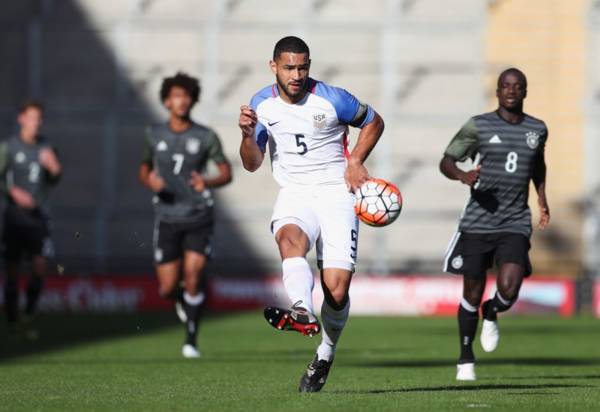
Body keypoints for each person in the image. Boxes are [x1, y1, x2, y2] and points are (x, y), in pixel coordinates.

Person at [238, 36, 384, 392]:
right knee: (289, 240)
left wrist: (355, 161)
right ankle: (302, 309)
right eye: (289, 67)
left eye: (303, 67)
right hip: (295, 193)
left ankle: (325, 354)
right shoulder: (262, 104)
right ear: (274, 66)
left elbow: (375, 121)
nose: (297, 74)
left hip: (336, 192)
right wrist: (245, 135)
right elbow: (252, 163)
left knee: (336, 289)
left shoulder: (333, 98)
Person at [440, 68, 550, 381]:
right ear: (498, 92)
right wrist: (463, 175)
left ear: (525, 92)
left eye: (518, 86)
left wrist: (542, 200)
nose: (512, 91)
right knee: (471, 292)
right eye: (506, 86)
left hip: (515, 220)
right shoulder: (479, 126)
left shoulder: (537, 129)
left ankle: (493, 310)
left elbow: (538, 166)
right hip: (478, 221)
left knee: (510, 288)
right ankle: (465, 358)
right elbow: (446, 161)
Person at [139, 72, 232, 358]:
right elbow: (143, 167)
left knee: (193, 274)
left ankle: (191, 336)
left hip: (198, 214)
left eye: (186, 96)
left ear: (192, 100)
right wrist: (150, 181)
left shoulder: (205, 136)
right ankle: (183, 300)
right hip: (167, 216)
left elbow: (226, 172)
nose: (182, 101)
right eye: (176, 96)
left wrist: (208, 181)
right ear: (167, 101)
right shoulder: (154, 134)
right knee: (167, 288)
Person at [1, 100, 62, 338]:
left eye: (40, 118)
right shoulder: (9, 147)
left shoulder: (46, 147)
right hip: (15, 217)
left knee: (40, 267)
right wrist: (12, 192)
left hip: (40, 217)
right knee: (12, 269)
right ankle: (12, 319)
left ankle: (29, 310)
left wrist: (55, 168)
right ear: (22, 119)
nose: (36, 123)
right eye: (32, 117)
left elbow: (54, 179)